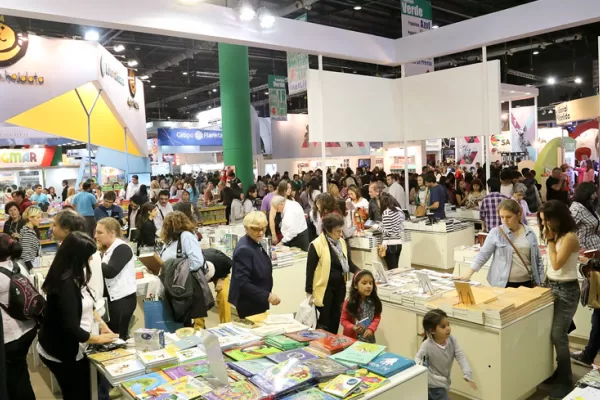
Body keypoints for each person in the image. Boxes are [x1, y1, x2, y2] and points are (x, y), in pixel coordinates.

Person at [37, 232, 118, 400]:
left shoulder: (74, 275)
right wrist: (99, 340)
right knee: (77, 393)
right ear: (77, 257)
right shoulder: (64, 285)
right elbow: (71, 328)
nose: (90, 261)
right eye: (87, 257)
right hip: (62, 351)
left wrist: (102, 324)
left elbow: (88, 302)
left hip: (76, 347)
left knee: (87, 388)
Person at [538, 200, 580, 399]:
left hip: (566, 289)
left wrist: (551, 241)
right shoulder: (554, 234)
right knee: (550, 332)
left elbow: (556, 264)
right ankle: (557, 372)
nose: (544, 225)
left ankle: (566, 379)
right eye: (542, 221)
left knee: (558, 335)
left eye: (547, 221)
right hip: (550, 285)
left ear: (558, 218)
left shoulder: (569, 237)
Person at [461, 199, 544, 288]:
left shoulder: (529, 233)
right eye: (502, 217)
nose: (504, 220)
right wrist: (468, 274)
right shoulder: (496, 232)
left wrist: (541, 282)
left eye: (508, 217)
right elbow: (483, 255)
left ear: (518, 214)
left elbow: (537, 259)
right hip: (502, 283)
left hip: (527, 282)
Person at [306, 214, 360, 333]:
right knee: (324, 321)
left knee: (336, 318)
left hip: (340, 287)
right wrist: (309, 291)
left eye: (341, 231)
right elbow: (310, 270)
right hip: (324, 289)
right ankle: (322, 346)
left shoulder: (341, 242)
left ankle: (332, 346)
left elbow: (348, 263)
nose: (340, 234)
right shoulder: (316, 244)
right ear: (328, 230)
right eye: (337, 231)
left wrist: (360, 272)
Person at [0, 234, 37, 400]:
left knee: (14, 377)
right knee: (20, 369)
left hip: (10, 335)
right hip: (28, 326)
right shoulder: (18, 265)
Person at [53, 210, 106, 316]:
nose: (51, 228)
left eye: (54, 225)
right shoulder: (68, 249)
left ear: (66, 229)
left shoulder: (83, 251)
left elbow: (87, 286)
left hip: (87, 310)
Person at [161, 212, 208, 329]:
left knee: (186, 322)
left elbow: (197, 261)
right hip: (172, 286)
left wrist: (178, 271)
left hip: (185, 287)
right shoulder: (169, 241)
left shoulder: (186, 236)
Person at [229, 212, 280, 319]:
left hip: (257, 299)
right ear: (246, 228)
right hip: (249, 303)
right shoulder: (244, 249)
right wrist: (267, 296)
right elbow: (243, 283)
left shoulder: (253, 242)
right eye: (256, 229)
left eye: (263, 229)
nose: (261, 233)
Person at [416, 309, 476, 400]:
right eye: (443, 327)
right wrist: (427, 375)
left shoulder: (452, 340)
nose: (448, 328)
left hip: (444, 382)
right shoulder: (427, 345)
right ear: (432, 331)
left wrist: (467, 373)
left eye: (448, 324)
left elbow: (460, 356)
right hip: (434, 385)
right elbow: (417, 359)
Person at [95, 218, 137, 340]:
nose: (96, 236)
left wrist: (94, 259)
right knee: (110, 336)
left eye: (99, 232)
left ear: (112, 233)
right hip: (109, 301)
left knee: (118, 337)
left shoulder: (122, 248)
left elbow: (110, 272)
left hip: (122, 301)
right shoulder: (106, 250)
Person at [340, 270, 382, 343]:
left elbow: (377, 317)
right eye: (364, 283)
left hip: (368, 338)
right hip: (352, 340)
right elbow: (343, 320)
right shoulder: (349, 302)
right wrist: (352, 327)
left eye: (371, 283)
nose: (368, 286)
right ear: (356, 285)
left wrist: (371, 329)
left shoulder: (373, 301)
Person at [373, 193, 405, 270]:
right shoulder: (396, 211)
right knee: (395, 269)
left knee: (392, 271)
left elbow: (388, 232)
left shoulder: (386, 213)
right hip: (398, 243)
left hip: (390, 245)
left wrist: (377, 227)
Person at [569, 183, 600, 251]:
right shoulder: (576, 209)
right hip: (586, 250)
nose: (596, 195)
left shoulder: (588, 206)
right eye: (593, 192)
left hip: (595, 246)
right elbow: (567, 230)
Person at [19, 206, 41, 271]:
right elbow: (25, 254)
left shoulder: (26, 230)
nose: (40, 219)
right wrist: (32, 270)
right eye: (38, 217)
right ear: (30, 218)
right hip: (29, 267)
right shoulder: (28, 233)